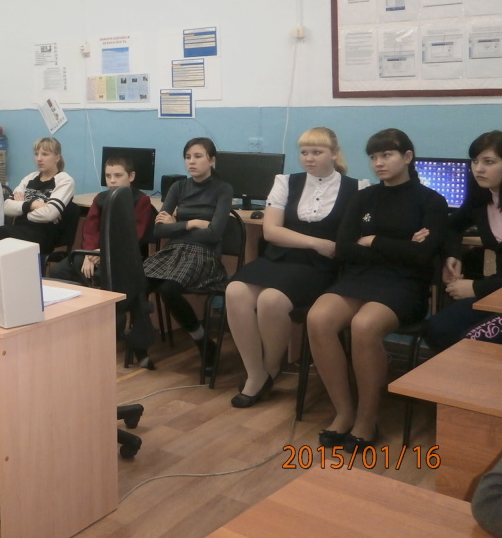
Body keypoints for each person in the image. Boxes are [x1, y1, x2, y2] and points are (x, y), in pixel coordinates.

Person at [307, 128, 447, 453]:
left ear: (407, 157)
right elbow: (344, 249)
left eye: (386, 155)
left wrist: (374, 241)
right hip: (360, 277)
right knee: (318, 319)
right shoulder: (363, 197)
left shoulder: (431, 201)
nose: (378, 163)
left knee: (364, 325)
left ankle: (367, 419)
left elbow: (422, 257)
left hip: (405, 284)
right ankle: (344, 412)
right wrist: (402, 245)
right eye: (373, 157)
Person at [225, 127, 366, 408]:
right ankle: (255, 373)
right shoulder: (286, 182)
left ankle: (270, 368)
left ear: (334, 153)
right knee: (235, 291)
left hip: (319, 267)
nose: (309, 158)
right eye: (304, 152)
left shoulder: (357, 188)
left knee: (271, 300)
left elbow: (354, 237)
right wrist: (317, 243)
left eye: (317, 152)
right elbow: (271, 232)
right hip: (281, 257)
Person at [143, 137, 233, 372]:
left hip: (204, 254)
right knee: (138, 282)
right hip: (174, 251)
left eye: (198, 156)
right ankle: (140, 341)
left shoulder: (223, 189)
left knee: (168, 289)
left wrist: (175, 224)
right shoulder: (178, 187)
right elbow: (158, 230)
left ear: (211, 160)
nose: (191, 162)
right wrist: (191, 223)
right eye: (187, 157)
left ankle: (202, 340)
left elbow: (214, 234)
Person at [424, 130, 502, 352]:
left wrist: (477, 287)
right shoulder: (481, 199)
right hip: (495, 291)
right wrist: (453, 255)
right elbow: (452, 226)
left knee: (472, 340)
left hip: (493, 290)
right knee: (437, 329)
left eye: (489, 162)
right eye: (475, 161)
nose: (478, 169)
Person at [49, 155, 155, 286]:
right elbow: (90, 229)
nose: (112, 181)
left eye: (118, 176)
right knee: (58, 272)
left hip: (123, 254)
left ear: (131, 176)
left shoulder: (141, 200)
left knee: (101, 277)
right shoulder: (100, 198)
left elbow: (135, 234)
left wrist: (103, 252)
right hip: (95, 252)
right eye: (108, 176)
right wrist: (89, 254)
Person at [0, 137, 75, 255]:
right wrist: (34, 205)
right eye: (36, 154)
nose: (39, 158)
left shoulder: (64, 180)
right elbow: (6, 207)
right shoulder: (30, 178)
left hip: (43, 235)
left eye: (45, 154)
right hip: (19, 230)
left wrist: (22, 209)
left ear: (57, 158)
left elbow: (49, 214)